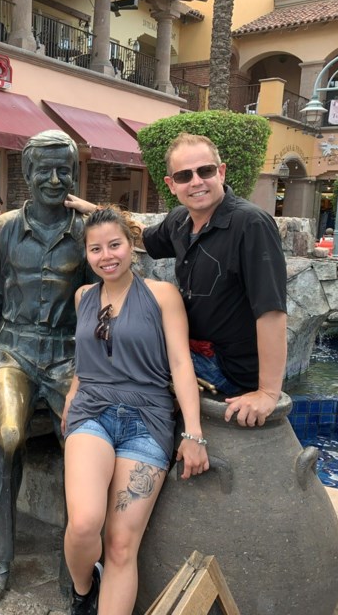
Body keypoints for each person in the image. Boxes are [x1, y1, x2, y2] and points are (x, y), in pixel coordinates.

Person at [0, 130, 89, 606]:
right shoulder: (3, 229)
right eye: (44, 170)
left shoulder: (88, 231)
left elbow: (104, 301)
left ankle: (75, 565)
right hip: (12, 351)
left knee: (83, 445)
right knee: (8, 437)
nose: (55, 179)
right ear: (27, 175)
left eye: (64, 170)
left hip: (68, 355)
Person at [67, 132, 287, 427]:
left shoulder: (251, 224)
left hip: (226, 367)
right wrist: (94, 212)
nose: (196, 182)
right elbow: (139, 236)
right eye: (184, 176)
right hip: (193, 349)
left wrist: (268, 393)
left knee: (122, 351)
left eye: (205, 171)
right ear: (172, 185)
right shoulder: (180, 221)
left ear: (220, 172)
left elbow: (271, 310)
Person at [61, 205, 208, 615]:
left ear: (131, 245)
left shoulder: (162, 295)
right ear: (87, 255)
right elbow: (87, 357)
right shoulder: (83, 297)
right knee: (86, 523)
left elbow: (181, 364)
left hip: (148, 419)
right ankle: (83, 587)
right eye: (96, 249)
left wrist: (193, 433)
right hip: (92, 413)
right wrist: (73, 393)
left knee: (123, 544)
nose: (106, 255)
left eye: (114, 245)